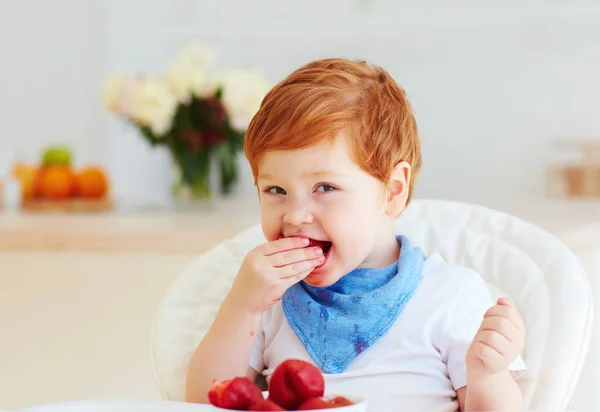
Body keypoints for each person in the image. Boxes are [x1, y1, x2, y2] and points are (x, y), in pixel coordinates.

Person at [186, 58, 526, 411]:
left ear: (393, 191)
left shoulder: (450, 295)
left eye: (325, 187)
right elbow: (201, 402)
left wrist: (487, 374)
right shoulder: (268, 299)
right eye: (275, 190)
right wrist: (242, 306)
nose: (296, 215)